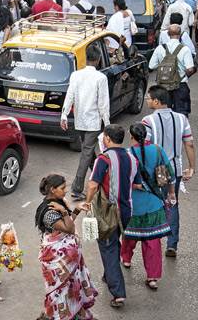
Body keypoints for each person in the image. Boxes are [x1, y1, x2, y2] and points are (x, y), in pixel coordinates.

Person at [83, 124, 143, 309]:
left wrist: (87, 202)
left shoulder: (104, 159)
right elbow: (138, 185)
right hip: (126, 210)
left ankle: (118, 293)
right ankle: (109, 273)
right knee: (113, 241)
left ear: (107, 139)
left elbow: (93, 185)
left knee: (107, 246)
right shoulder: (132, 159)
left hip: (107, 211)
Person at [142, 85, 195, 257]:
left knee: (155, 204)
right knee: (173, 204)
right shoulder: (181, 119)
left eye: (149, 98)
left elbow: (146, 147)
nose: (147, 101)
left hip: (158, 169)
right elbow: (189, 143)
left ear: (157, 101)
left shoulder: (148, 121)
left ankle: (153, 240)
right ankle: (172, 244)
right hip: (175, 168)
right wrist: (192, 167)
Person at [35, 174, 97, 320]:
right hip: (57, 261)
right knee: (61, 293)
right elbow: (68, 229)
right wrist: (64, 211)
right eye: (63, 188)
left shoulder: (58, 201)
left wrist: (76, 210)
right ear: (52, 189)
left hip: (68, 259)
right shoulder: (49, 211)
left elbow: (67, 224)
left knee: (73, 289)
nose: (66, 191)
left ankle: (76, 314)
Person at [122, 123, 175, 290]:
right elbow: (168, 176)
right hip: (154, 203)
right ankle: (152, 277)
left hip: (133, 205)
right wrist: (171, 194)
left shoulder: (128, 154)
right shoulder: (158, 150)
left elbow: (123, 180)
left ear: (131, 137)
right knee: (153, 242)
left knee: (129, 236)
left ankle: (126, 258)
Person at [61, 46, 110, 200]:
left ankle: (100, 177)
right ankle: (77, 188)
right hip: (93, 121)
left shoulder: (76, 75)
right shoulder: (101, 78)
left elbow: (70, 96)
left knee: (88, 152)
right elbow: (103, 103)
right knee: (86, 153)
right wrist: (107, 124)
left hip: (79, 119)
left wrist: (64, 115)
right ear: (98, 59)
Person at [149, 24, 195, 117]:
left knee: (163, 113)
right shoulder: (185, 49)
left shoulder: (160, 48)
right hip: (180, 85)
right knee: (182, 114)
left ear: (168, 34)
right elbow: (190, 69)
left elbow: (151, 65)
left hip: (163, 86)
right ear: (180, 34)